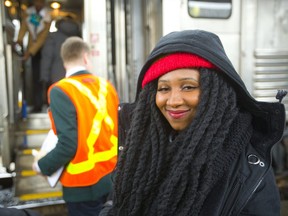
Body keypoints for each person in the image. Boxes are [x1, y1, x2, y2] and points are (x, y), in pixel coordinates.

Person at [103, 29, 286, 216]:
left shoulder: (248, 170)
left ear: (217, 92)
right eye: (164, 88)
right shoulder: (139, 150)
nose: (173, 100)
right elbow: (115, 203)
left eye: (188, 87)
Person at [32, 37, 119, 216]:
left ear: (64, 61)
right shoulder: (107, 86)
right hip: (111, 178)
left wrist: (41, 166)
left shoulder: (60, 90)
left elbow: (68, 145)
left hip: (81, 186)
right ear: (86, 58)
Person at [16, 0, 52, 112]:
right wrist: (19, 40)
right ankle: (38, 104)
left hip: (45, 50)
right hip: (33, 50)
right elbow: (24, 28)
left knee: (46, 77)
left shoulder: (46, 15)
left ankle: (48, 103)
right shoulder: (29, 13)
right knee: (36, 77)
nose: (38, 4)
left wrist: (30, 52)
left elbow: (42, 37)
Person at [40, 15, 81, 89]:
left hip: (57, 75)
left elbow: (47, 56)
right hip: (75, 76)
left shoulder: (53, 36)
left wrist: (44, 78)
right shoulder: (78, 36)